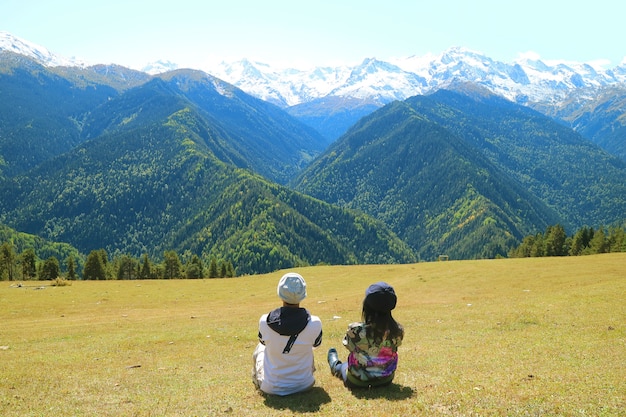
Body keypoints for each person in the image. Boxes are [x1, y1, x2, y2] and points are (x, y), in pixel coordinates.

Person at [252, 272, 323, 396]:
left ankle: (259, 379)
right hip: (305, 385)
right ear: (303, 294)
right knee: (308, 347)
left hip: (271, 387)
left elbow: (263, 342)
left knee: (260, 348)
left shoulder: (265, 321)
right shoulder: (315, 323)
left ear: (280, 293)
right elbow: (316, 345)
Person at [327, 282, 404, 388]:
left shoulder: (356, 330)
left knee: (342, 366)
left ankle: (334, 363)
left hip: (357, 380)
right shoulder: (397, 331)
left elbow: (348, 345)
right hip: (386, 379)